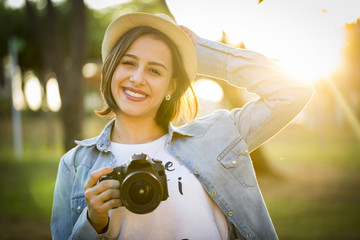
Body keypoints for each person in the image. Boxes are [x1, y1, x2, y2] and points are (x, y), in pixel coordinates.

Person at [51, 12, 313, 240]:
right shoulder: (75, 164)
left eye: (155, 70)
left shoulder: (216, 138)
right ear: (110, 71)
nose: (137, 78)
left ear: (171, 87)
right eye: (128, 63)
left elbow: (292, 91)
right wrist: (93, 223)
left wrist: (200, 52)